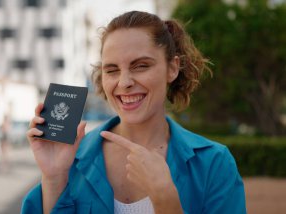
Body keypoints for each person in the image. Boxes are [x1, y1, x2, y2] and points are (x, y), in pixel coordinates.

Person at [22, 11, 246, 214]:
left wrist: (166, 200)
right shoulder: (71, 158)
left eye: (141, 66)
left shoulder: (214, 163)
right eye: (112, 70)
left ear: (172, 68)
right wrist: (54, 178)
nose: (124, 82)